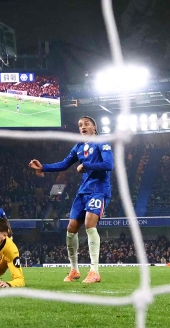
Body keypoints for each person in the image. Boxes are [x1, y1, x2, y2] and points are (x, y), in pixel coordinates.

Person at [28, 116, 113, 285]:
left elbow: (108, 164)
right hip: (83, 192)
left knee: (89, 225)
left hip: (99, 190)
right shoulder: (79, 147)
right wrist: (43, 167)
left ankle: (94, 271)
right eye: (80, 125)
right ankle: (74, 270)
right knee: (71, 228)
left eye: (87, 124)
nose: (83, 127)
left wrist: (86, 165)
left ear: (94, 127)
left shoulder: (102, 143)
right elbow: (64, 164)